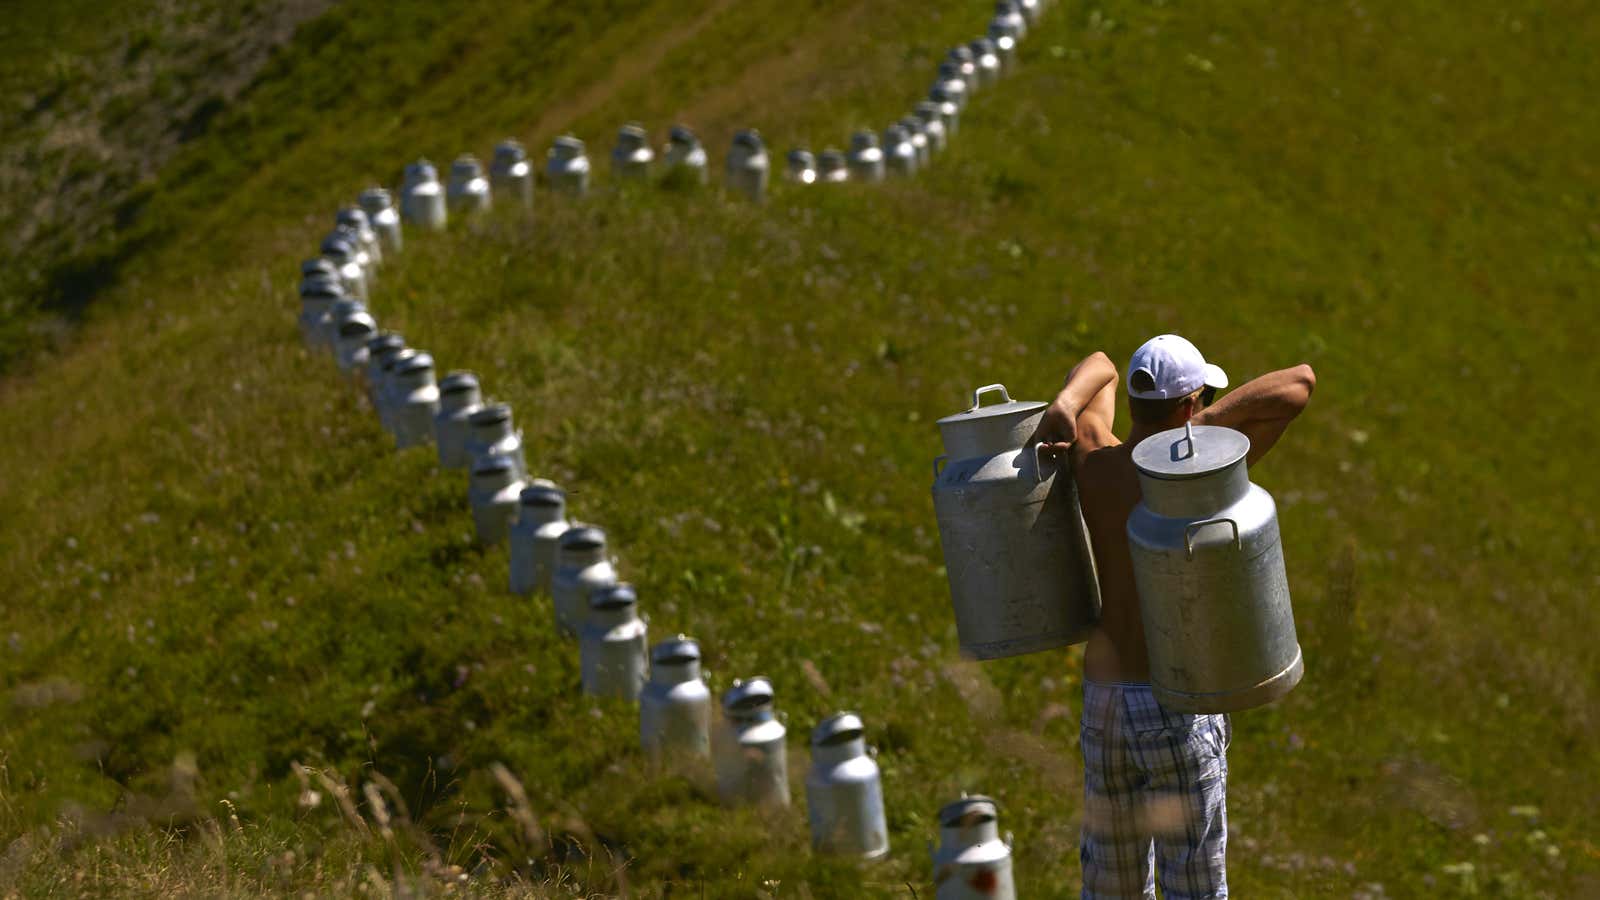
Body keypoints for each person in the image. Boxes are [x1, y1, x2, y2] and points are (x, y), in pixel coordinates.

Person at [1031, 335, 1316, 899]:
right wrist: (1203, 429)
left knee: (1111, 886)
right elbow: (1298, 384)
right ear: (1189, 405)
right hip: (1175, 698)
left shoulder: (1095, 459)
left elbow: (1102, 368)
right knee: (1194, 886)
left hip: (1105, 701)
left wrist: (1065, 401)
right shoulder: (1194, 482)